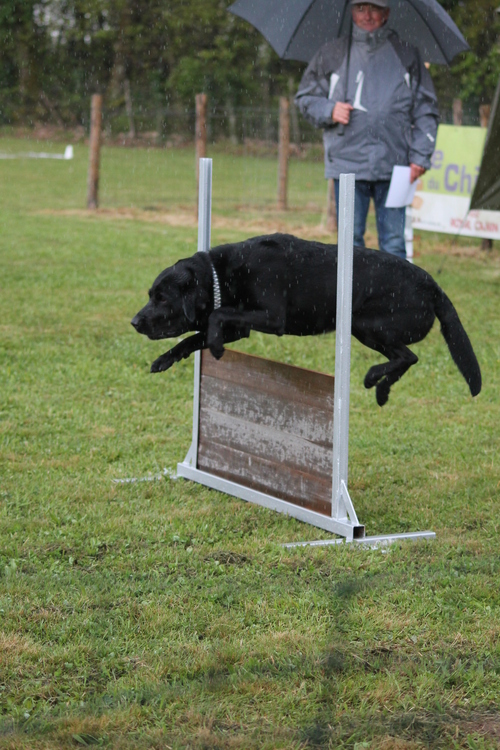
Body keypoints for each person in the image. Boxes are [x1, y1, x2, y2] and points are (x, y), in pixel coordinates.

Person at [295, 0, 439, 259]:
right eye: (361, 8)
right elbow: (305, 98)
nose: (367, 15)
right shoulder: (332, 53)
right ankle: (351, 301)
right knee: (349, 245)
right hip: (347, 164)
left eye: (374, 8)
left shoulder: (408, 55)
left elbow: (426, 108)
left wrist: (420, 155)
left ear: (387, 13)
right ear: (351, 11)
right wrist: (329, 110)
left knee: (394, 245)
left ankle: (395, 301)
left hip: (397, 165)